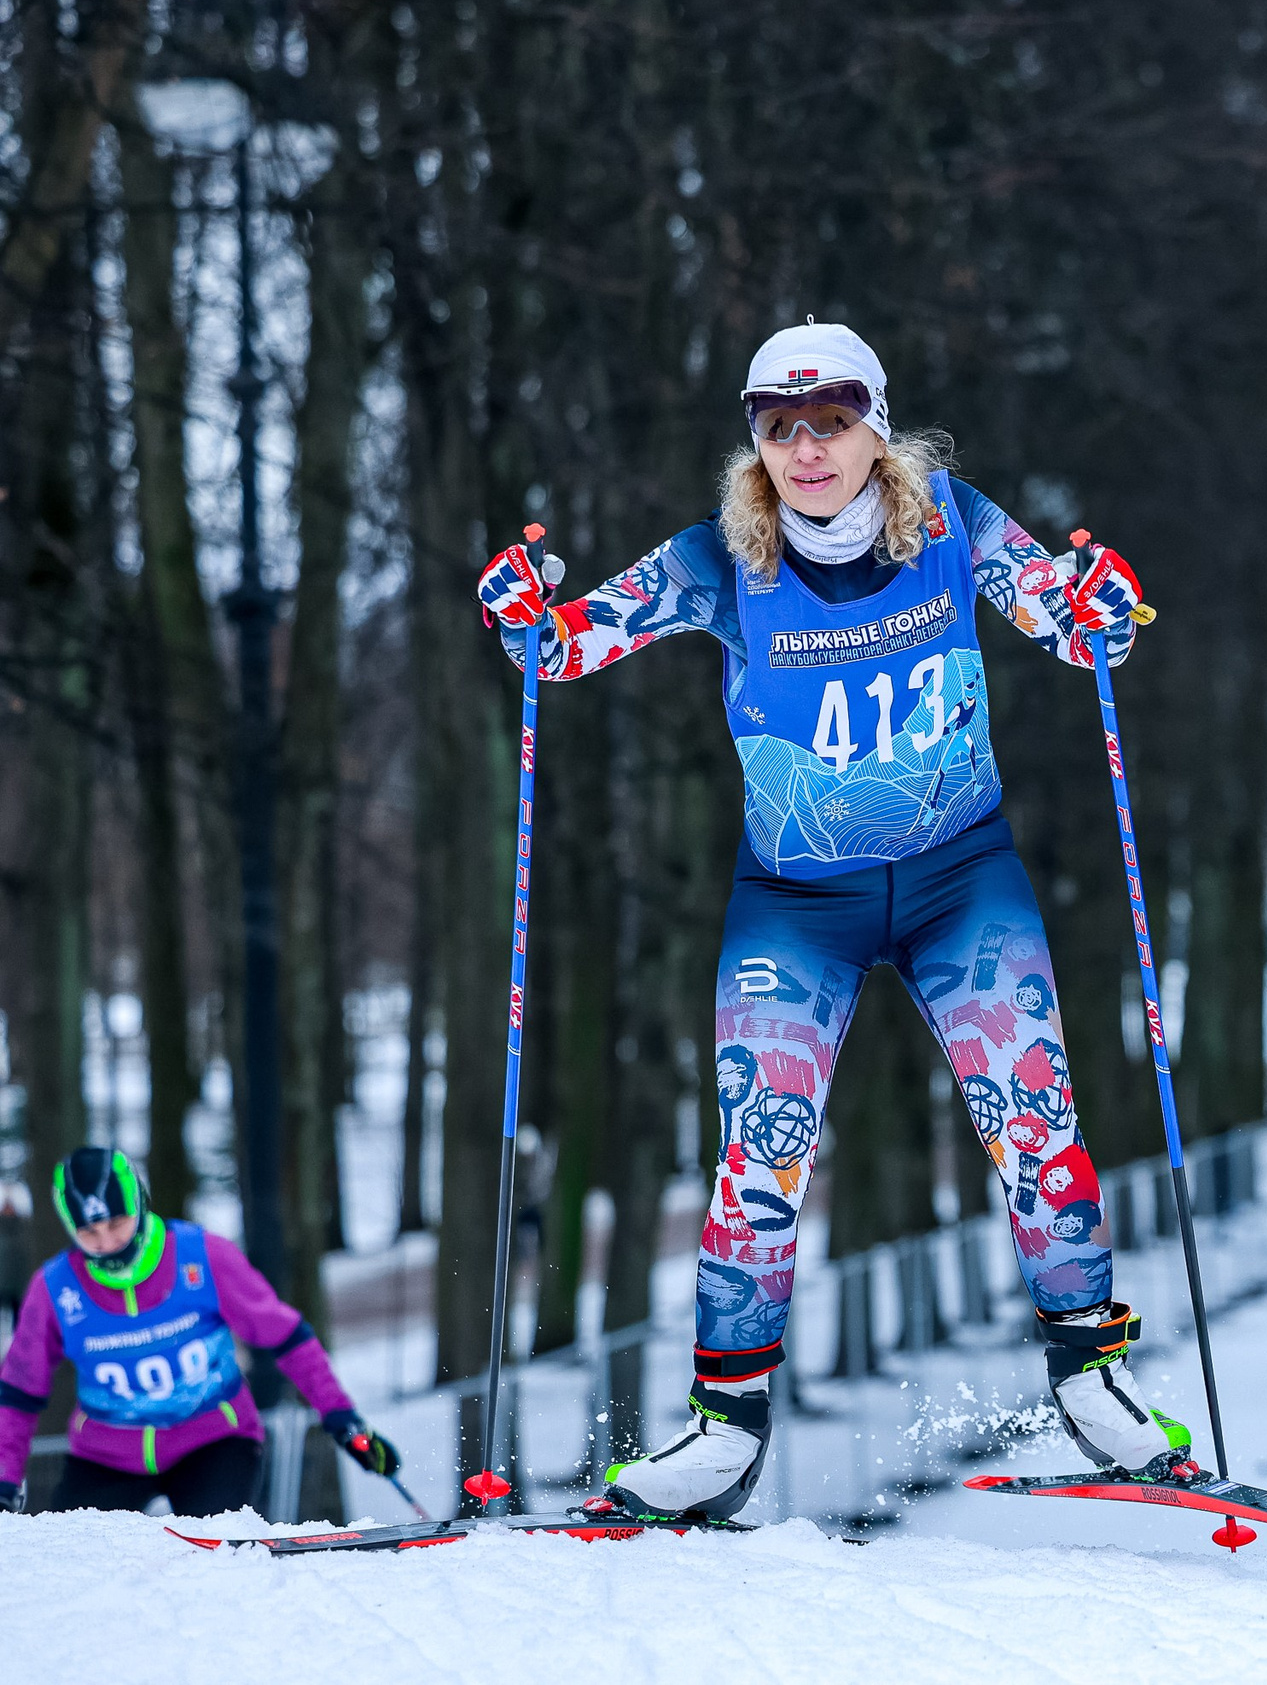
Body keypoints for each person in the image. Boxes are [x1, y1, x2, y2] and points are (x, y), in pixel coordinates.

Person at [476, 320, 1187, 1522]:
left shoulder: (951, 520)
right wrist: (522, 614)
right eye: (778, 426)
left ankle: (1091, 1380)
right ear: (755, 441)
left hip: (964, 876)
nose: (807, 449)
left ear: (877, 425)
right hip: (797, 904)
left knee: (1036, 1118)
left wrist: (1105, 610)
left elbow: (1063, 615)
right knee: (758, 1160)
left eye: (833, 421)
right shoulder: (720, 558)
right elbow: (566, 646)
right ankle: (724, 1430)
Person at [0, 1147, 399, 1517]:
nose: (107, 1242)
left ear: (139, 1204)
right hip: (106, 1456)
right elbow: (19, 1389)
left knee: (212, 1552)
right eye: (89, 1232)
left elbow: (287, 1336)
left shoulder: (201, 1256)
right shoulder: (56, 1288)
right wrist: (4, 1477)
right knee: (81, 1565)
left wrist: (342, 1418)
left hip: (213, 1442)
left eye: (117, 1223)